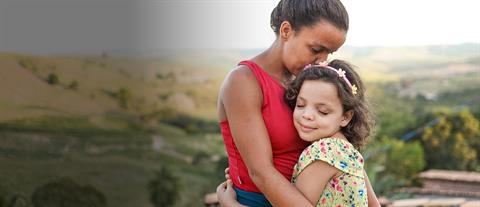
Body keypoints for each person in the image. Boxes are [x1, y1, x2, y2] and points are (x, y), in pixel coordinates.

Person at [216, 0, 380, 206]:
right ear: (286, 30)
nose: (322, 61)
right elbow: (261, 172)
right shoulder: (244, 81)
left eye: (329, 53)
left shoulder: (307, 83)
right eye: (315, 49)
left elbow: (339, 148)